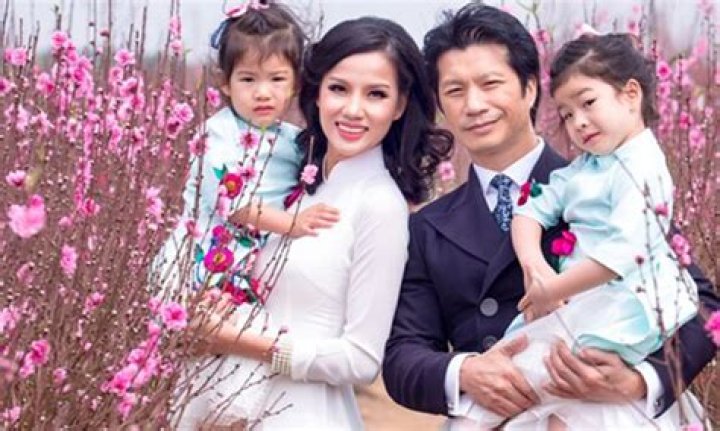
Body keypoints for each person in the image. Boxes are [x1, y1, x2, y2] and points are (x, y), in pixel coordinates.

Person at [382, 3, 718, 429]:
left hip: (609, 412)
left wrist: (639, 380)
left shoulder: (605, 182)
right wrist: (465, 372)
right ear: (441, 106)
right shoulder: (428, 227)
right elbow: (403, 354)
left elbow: (701, 303)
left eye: (490, 83)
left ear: (529, 89)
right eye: (455, 91)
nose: (474, 104)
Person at [194, 16, 452, 430]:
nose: (353, 109)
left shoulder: (378, 204)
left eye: (376, 94)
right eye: (339, 89)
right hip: (233, 405)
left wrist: (241, 342)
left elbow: (361, 359)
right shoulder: (295, 184)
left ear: (400, 105)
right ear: (315, 92)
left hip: (305, 415)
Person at [464, 32, 700, 430]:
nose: (579, 122)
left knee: (529, 386)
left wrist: (553, 289)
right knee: (520, 391)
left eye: (588, 103)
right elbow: (530, 210)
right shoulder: (587, 166)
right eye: (567, 115)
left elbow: (624, 251)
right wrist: (535, 266)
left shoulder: (643, 166)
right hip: (579, 305)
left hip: (619, 305)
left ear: (630, 94)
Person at [157, 2, 339, 428]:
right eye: (248, 79)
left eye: (277, 79)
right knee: (210, 350)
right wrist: (292, 225)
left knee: (233, 355)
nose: (263, 93)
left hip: (241, 269)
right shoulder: (218, 134)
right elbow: (233, 203)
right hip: (200, 262)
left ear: (295, 84)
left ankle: (221, 413)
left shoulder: (292, 141)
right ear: (225, 82)